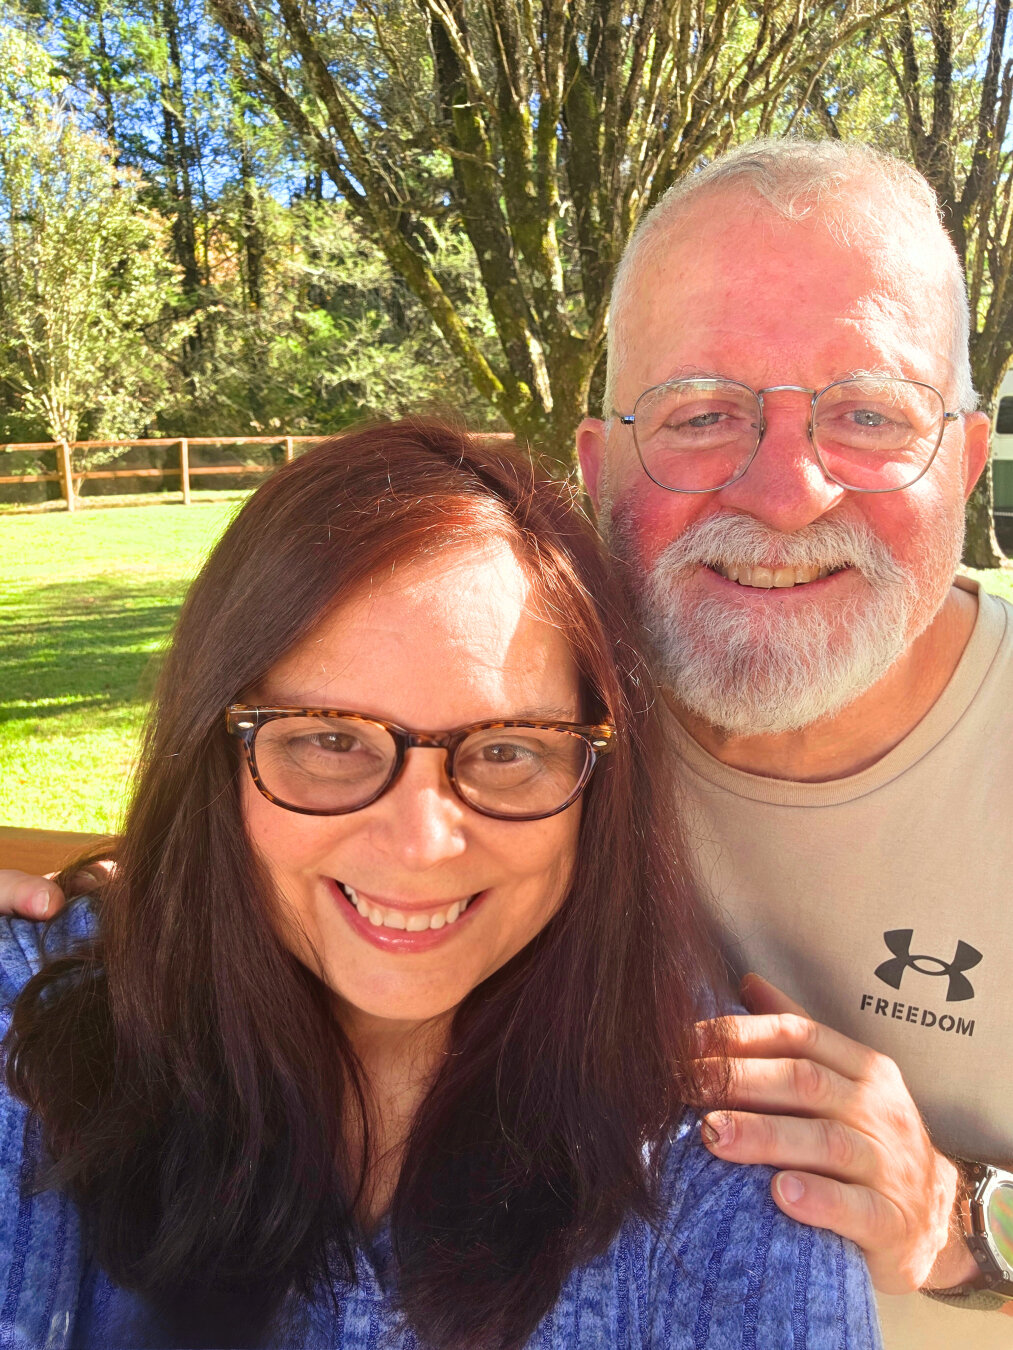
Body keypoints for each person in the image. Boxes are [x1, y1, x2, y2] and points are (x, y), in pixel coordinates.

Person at [0, 421, 879, 1349]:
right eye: (330, 740)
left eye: (504, 751)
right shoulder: (32, 1040)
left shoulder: (731, 1173)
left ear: (599, 786)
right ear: (215, 755)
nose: (421, 843)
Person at [575, 140, 1011, 1349]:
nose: (783, 491)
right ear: (600, 470)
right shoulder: (527, 728)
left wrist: (960, 1218)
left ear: (965, 463)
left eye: (867, 415)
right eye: (701, 413)